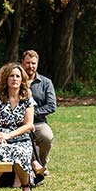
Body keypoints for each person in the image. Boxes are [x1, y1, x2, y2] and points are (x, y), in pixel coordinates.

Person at [0, 62, 39, 191]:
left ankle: (25, 186)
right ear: (6, 78)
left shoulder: (27, 98)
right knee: (0, 151)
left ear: (22, 79)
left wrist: (9, 135)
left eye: (17, 76)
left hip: (20, 136)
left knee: (20, 152)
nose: (15, 79)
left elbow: (29, 125)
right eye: (11, 76)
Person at [22, 50, 56, 178]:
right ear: (22, 63)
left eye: (33, 63)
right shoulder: (16, 80)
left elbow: (51, 106)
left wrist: (32, 113)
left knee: (46, 136)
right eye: (28, 63)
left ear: (37, 64)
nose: (31, 66)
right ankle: (30, 165)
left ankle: (41, 163)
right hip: (18, 122)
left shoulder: (46, 82)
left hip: (38, 121)